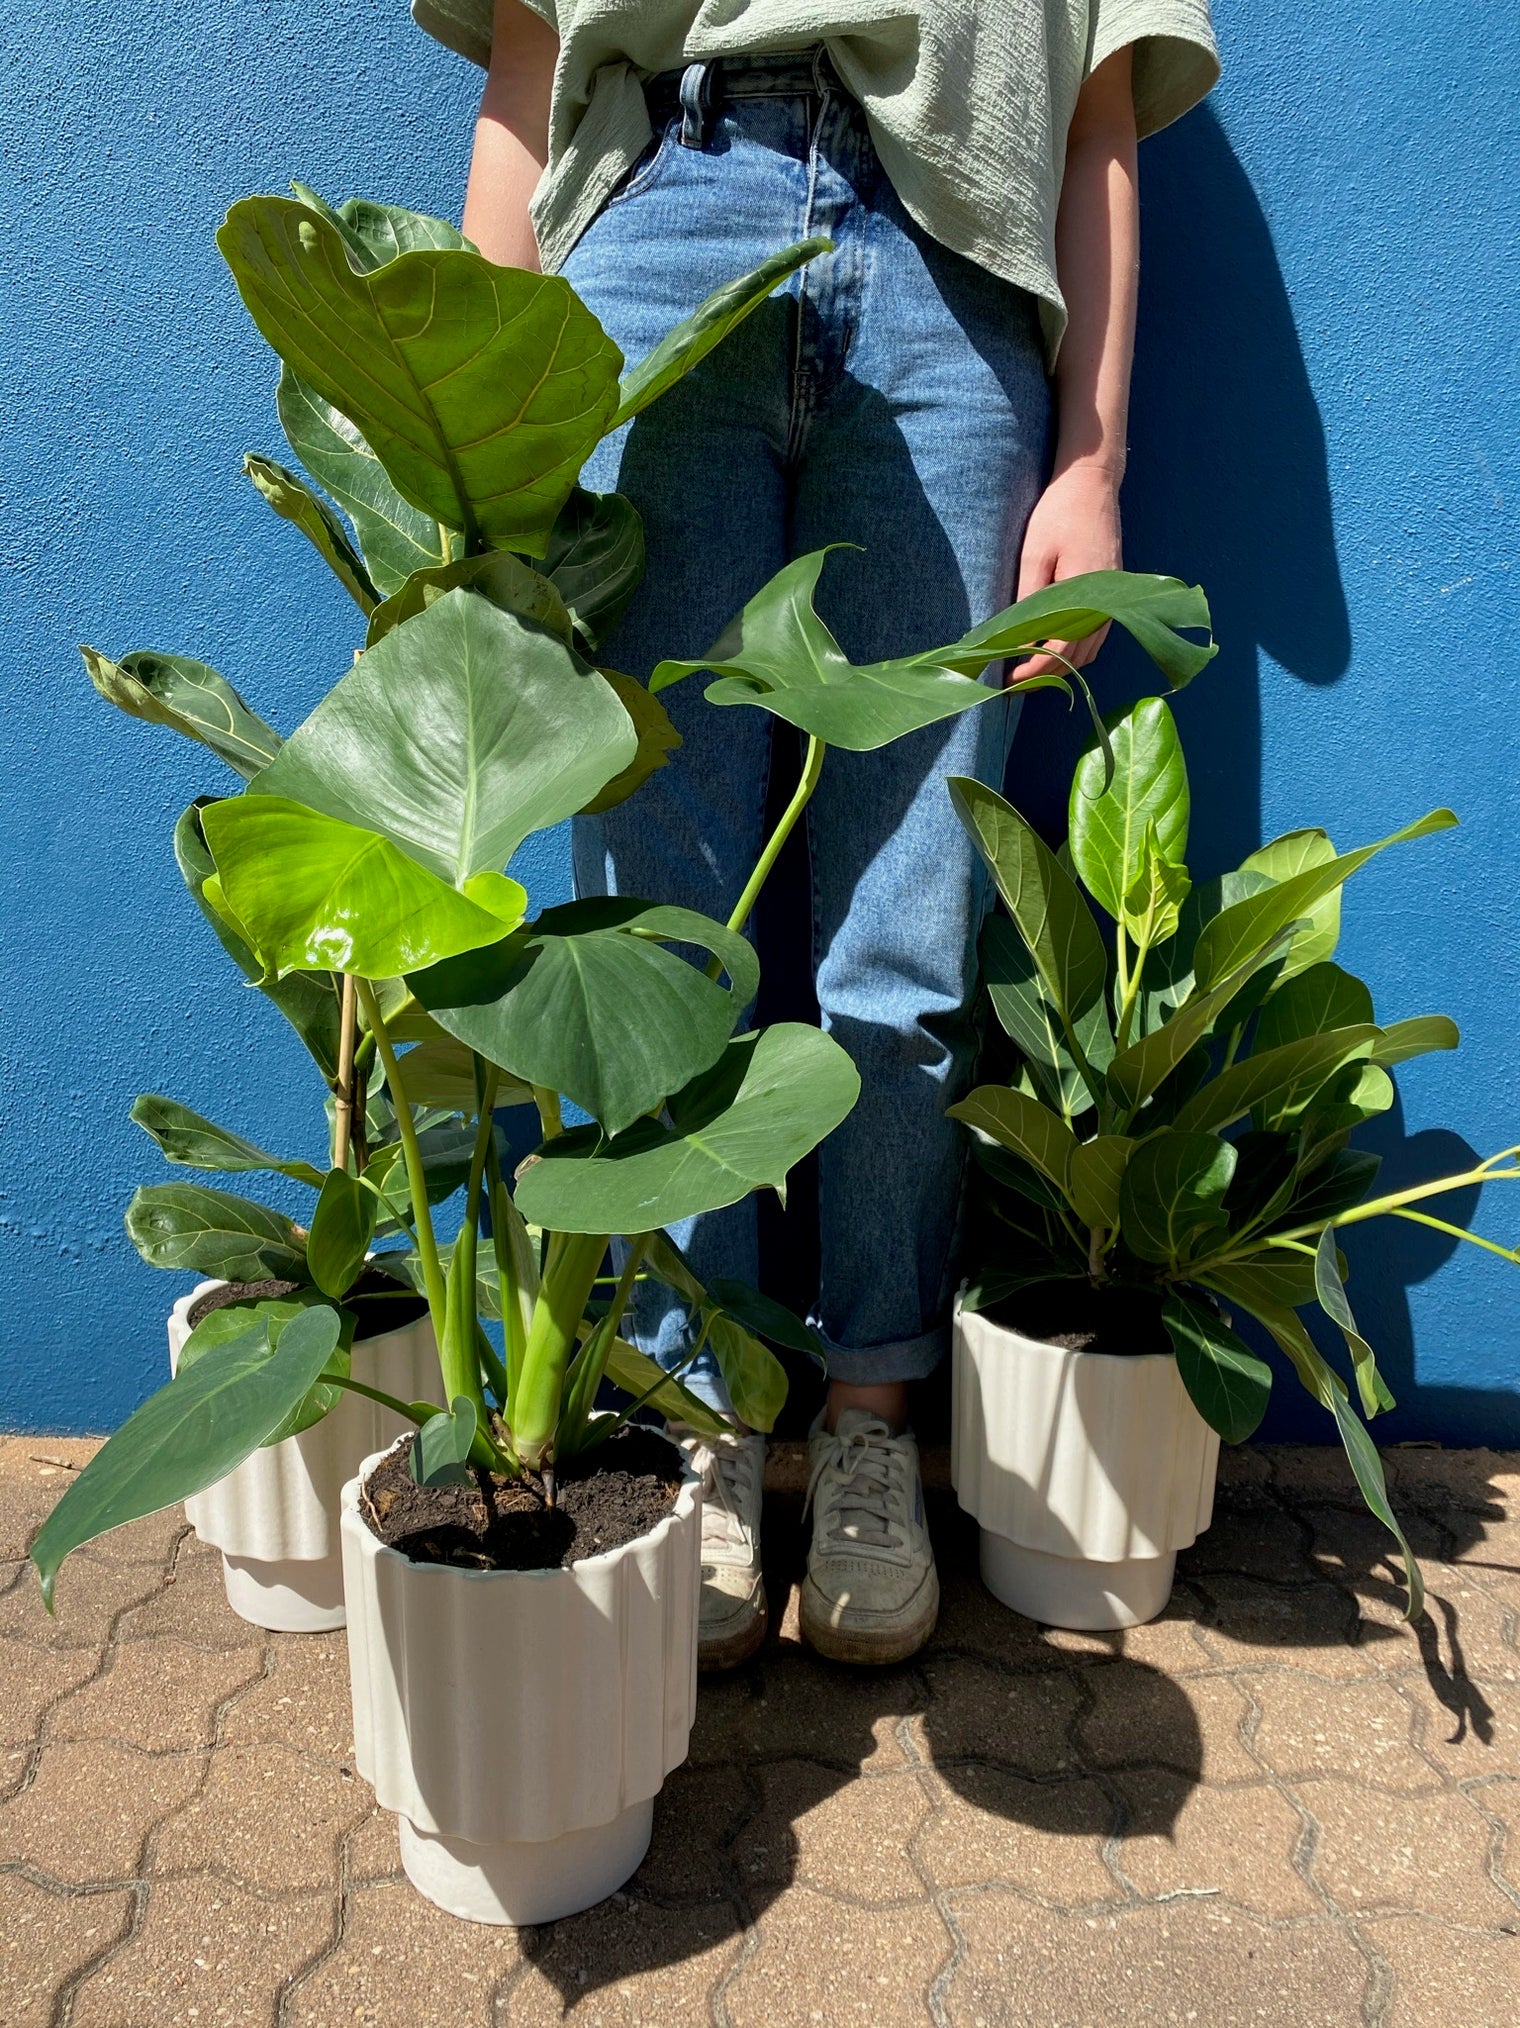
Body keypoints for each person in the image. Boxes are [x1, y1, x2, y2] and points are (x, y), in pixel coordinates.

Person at [418, 0, 1220, 1669]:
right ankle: (701, 1411)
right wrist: (472, 442)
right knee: (654, 935)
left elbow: (1098, 109)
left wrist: (1095, 454)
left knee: (904, 950)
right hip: (656, 220)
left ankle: (867, 1415)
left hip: (954, 270)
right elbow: (524, 54)